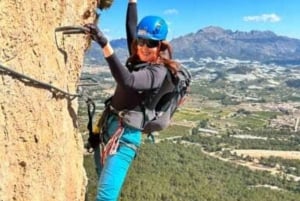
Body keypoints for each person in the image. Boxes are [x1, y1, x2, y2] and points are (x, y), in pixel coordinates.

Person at [84, 0, 180, 200]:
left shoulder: (157, 72)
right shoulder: (138, 58)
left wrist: (104, 44)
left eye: (151, 43)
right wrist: (132, 2)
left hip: (125, 137)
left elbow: (127, 81)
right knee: (102, 179)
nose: (144, 47)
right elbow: (131, 27)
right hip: (109, 126)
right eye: (141, 41)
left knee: (105, 197)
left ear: (160, 45)